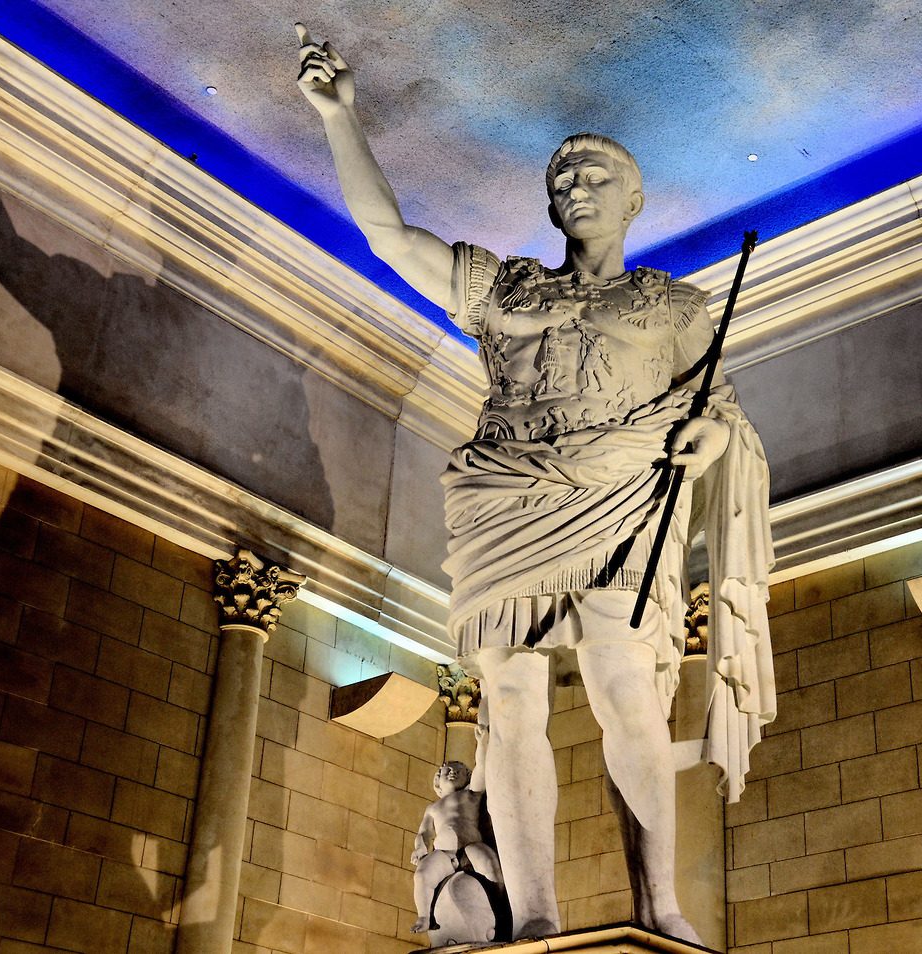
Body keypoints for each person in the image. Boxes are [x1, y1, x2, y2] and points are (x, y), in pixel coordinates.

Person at [297, 24, 775, 943]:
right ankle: (537, 919)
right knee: (507, 699)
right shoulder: (506, 290)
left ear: (636, 200)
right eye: (563, 180)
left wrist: (709, 442)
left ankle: (659, 907)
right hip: (499, 499)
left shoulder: (675, 307)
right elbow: (391, 237)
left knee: (622, 686)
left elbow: (721, 414)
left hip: (614, 495)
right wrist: (339, 117)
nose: (576, 188)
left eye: (597, 177)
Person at [410, 761, 503, 936]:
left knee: (490, 864)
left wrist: (482, 742)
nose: (453, 773)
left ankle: (501, 912)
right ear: (437, 779)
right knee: (422, 875)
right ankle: (424, 917)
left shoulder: (471, 795)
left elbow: (482, 767)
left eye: (459, 771)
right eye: (448, 771)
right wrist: (419, 848)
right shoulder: (432, 808)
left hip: (471, 846)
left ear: (468, 776)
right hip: (444, 853)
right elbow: (425, 832)